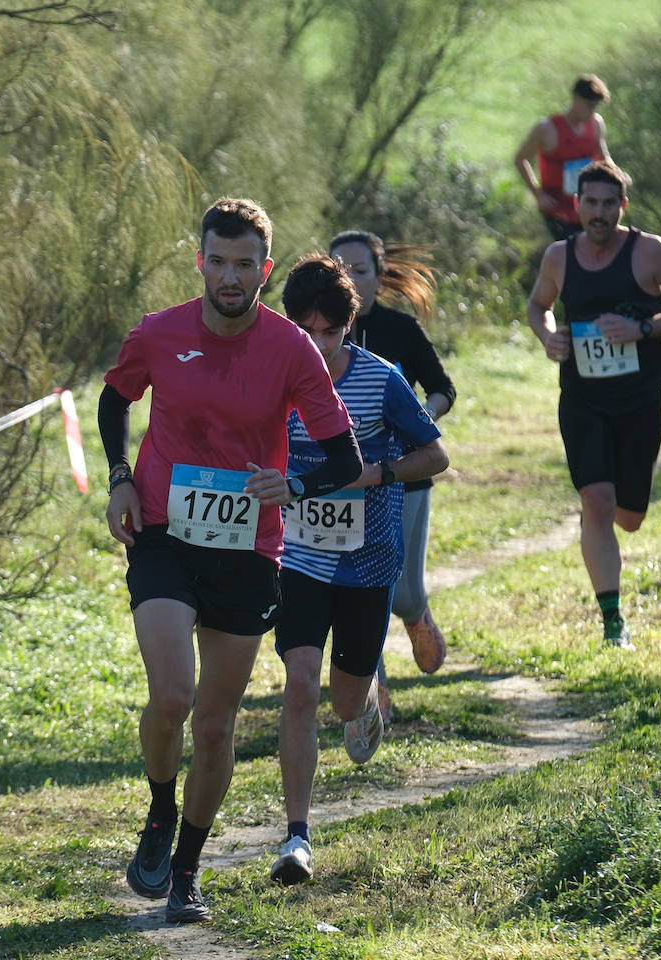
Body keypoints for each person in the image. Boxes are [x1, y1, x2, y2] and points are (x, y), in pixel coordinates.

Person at [98, 198, 363, 923]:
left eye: (244, 264)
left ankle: (186, 872)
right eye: (218, 261)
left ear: (264, 270)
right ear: (200, 261)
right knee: (172, 697)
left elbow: (344, 457)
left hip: (247, 548)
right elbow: (115, 400)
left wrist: (294, 485)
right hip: (164, 533)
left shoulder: (291, 349)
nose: (229, 276)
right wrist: (121, 479)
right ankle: (160, 808)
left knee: (215, 725)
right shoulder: (160, 333)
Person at [268, 253, 448, 886]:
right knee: (299, 684)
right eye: (305, 331)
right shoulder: (276, 375)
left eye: (330, 332)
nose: (317, 345)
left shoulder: (381, 379)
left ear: (349, 326)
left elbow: (435, 455)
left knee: (343, 702)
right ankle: (296, 837)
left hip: (367, 565)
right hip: (299, 559)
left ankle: (364, 696)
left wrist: (378, 473)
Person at [525, 160, 661, 648]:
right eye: (591, 202)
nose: (599, 213)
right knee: (597, 501)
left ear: (622, 207)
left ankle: (609, 528)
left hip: (639, 400)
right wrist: (548, 336)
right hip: (582, 399)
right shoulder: (559, 257)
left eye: (609, 204)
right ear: (577, 204)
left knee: (630, 515)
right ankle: (613, 621)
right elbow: (538, 305)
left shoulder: (649, 252)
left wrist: (643, 328)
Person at [329, 230, 456, 721]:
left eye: (360, 271)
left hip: (403, 478)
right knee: (354, 588)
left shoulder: (401, 330)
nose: (349, 281)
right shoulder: (314, 335)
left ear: (380, 277)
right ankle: (371, 687)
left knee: (400, 592)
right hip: (339, 484)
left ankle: (416, 613)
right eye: (340, 271)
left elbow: (442, 388)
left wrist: (419, 418)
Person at [513, 73, 612, 240]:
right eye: (589, 105)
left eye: (596, 106)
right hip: (558, 211)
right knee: (573, 251)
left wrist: (619, 176)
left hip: (588, 206)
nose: (592, 112)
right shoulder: (547, 129)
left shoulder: (596, 124)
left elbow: (605, 160)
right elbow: (520, 160)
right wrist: (538, 195)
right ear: (576, 98)